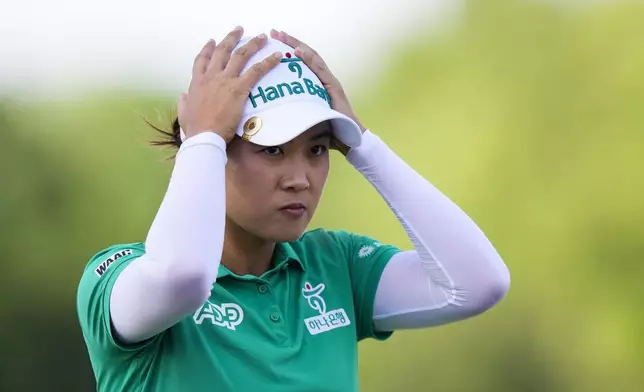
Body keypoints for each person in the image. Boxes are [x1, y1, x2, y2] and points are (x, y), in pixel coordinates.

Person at [76, 27, 511, 392]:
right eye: (274, 150)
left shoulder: (334, 266)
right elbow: (184, 276)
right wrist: (203, 137)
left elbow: (478, 283)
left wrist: (364, 145)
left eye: (318, 148)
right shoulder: (118, 280)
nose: (300, 177)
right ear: (214, 153)